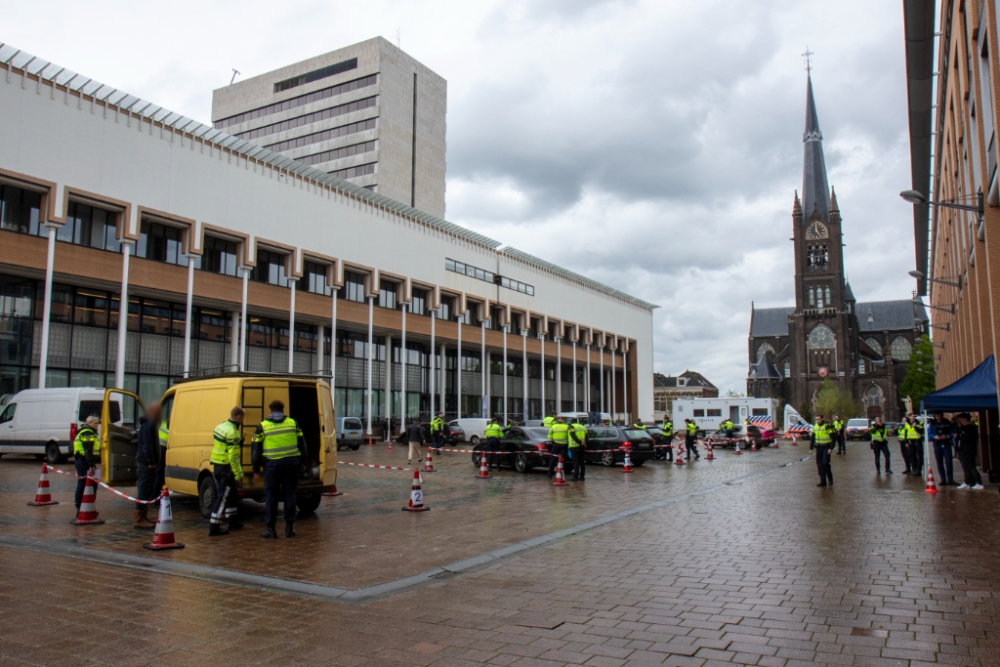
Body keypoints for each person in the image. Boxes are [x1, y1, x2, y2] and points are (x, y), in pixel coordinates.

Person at [252, 400, 306, 539]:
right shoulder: (293, 423)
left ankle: (271, 530)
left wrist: (256, 467)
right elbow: (302, 444)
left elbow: (256, 448)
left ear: (270, 411)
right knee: (290, 495)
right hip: (291, 464)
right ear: (283, 410)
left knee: (271, 496)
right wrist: (303, 462)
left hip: (272, 466)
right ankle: (289, 529)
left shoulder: (262, 426)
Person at [209, 407, 245, 536]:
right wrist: (238, 473)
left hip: (218, 465)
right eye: (243, 417)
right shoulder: (233, 432)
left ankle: (232, 520)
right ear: (239, 416)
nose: (243, 420)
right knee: (223, 496)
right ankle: (214, 526)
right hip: (226, 467)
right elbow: (233, 456)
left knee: (232, 493)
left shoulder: (221, 426)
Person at [133, 401, 161, 529]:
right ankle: (139, 519)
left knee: (147, 490)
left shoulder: (149, 425)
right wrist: (151, 461)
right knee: (143, 491)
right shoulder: (148, 426)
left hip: (146, 463)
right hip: (145, 464)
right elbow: (147, 446)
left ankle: (144, 516)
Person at [73, 415, 101, 511]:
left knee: (94, 482)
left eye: (98, 423)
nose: (97, 425)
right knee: (84, 484)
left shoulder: (87, 432)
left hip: (85, 461)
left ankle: (88, 506)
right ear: (89, 423)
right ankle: (81, 507)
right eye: (95, 423)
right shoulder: (88, 433)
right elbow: (88, 451)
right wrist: (91, 466)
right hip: (85, 462)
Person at [954, 413, 984, 489]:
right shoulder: (964, 427)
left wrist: (960, 435)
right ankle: (968, 482)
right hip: (964, 449)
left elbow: (967, 438)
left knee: (971, 467)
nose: (959, 421)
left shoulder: (970, 428)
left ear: (965, 419)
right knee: (966, 467)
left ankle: (979, 483)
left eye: (960, 419)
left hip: (968, 450)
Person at [930, 412, 955, 486]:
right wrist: (935, 437)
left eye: (940, 415)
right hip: (937, 444)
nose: (938, 417)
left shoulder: (947, 422)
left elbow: (952, 432)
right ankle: (943, 479)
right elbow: (929, 434)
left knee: (948, 462)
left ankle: (950, 479)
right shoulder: (932, 423)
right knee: (939, 462)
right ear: (935, 416)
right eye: (937, 416)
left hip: (946, 443)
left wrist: (947, 436)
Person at [811, 414, 834, 487]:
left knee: (825, 463)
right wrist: (811, 448)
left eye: (819, 419)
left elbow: (833, 438)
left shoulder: (827, 426)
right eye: (816, 419)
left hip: (826, 447)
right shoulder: (815, 426)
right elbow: (812, 438)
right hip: (819, 448)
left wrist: (831, 448)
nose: (817, 421)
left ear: (822, 419)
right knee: (819, 464)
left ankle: (830, 478)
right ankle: (823, 481)